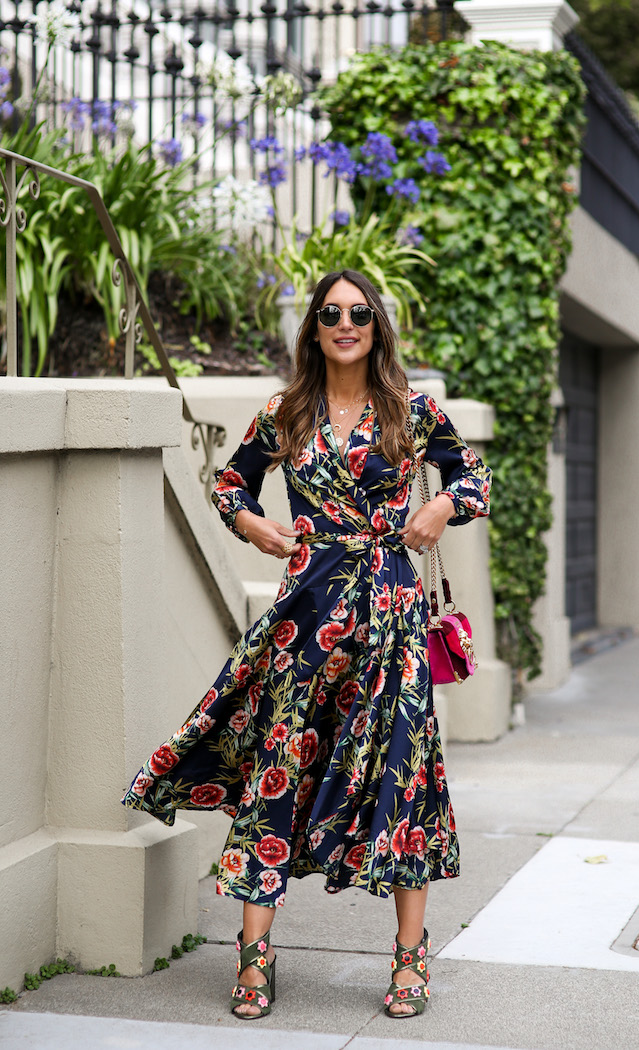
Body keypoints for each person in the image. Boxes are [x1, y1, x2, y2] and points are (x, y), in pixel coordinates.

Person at [122, 269, 491, 1019]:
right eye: (331, 313)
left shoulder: (412, 410)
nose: (346, 322)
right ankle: (254, 959)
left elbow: (475, 475)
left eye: (359, 312)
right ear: (315, 329)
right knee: (278, 768)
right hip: (306, 614)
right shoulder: (288, 411)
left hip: (390, 611)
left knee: (403, 775)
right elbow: (230, 483)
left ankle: (410, 962)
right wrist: (253, 523)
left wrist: (444, 505)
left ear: (376, 325)